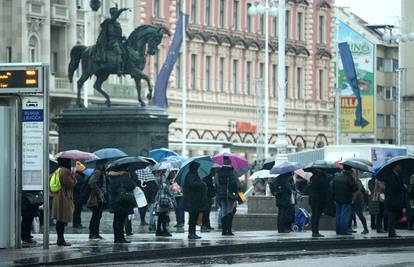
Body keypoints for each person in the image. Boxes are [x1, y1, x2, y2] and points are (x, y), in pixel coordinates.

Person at [95, 5, 130, 74]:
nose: (117, 15)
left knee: (126, 50)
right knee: (118, 51)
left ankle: (125, 66)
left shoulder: (117, 23)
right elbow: (113, 19)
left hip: (117, 41)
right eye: (116, 13)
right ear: (113, 14)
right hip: (110, 42)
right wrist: (121, 10)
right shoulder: (109, 21)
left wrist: (122, 38)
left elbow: (118, 34)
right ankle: (118, 69)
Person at [107, 167, 137, 243]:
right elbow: (132, 186)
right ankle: (120, 238)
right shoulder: (124, 177)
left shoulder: (111, 177)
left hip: (114, 201)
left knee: (116, 220)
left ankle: (116, 238)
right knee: (121, 220)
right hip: (123, 201)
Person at [52, 158, 76, 246]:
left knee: (60, 219)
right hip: (64, 198)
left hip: (58, 197)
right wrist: (73, 177)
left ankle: (60, 239)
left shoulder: (58, 170)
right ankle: (61, 239)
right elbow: (70, 184)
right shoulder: (65, 171)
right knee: (61, 219)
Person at [183, 161, 207, 239]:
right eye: (197, 167)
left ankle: (192, 233)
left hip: (195, 200)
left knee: (194, 216)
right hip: (192, 200)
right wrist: (202, 184)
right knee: (193, 217)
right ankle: (191, 233)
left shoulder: (193, 175)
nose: (198, 169)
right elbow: (192, 184)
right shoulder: (191, 175)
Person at [331, 165, 358, 235]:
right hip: (346, 199)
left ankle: (338, 230)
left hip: (337, 198)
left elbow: (332, 187)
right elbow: (355, 188)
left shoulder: (337, 177)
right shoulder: (349, 177)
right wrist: (354, 179)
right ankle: (343, 231)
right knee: (344, 215)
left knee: (338, 215)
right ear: (350, 170)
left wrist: (334, 197)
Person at [216, 158, 239, 236]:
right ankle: (228, 230)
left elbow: (216, 184)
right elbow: (233, 184)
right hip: (229, 195)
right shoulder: (231, 172)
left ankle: (223, 230)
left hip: (221, 195)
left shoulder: (218, 172)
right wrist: (236, 191)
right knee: (229, 211)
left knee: (223, 212)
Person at [384, 163, 407, 238]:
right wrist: (403, 186)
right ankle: (391, 233)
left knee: (393, 216)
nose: (401, 167)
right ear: (395, 167)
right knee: (391, 216)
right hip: (392, 200)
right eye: (399, 166)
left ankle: (392, 232)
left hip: (395, 200)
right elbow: (396, 187)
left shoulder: (397, 176)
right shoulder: (391, 176)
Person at [86, 160, 107, 239]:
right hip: (96, 198)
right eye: (104, 163)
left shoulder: (101, 172)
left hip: (101, 197)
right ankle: (92, 233)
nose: (105, 165)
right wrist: (99, 192)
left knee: (98, 216)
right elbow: (91, 183)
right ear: (100, 164)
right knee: (96, 216)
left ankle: (96, 233)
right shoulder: (97, 172)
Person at [154, 171, 176, 237]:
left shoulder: (158, 177)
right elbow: (167, 189)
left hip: (160, 199)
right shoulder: (163, 178)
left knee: (161, 215)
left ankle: (158, 230)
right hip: (164, 200)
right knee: (164, 215)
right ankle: (164, 230)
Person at [308, 169, 328, 237]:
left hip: (312, 199)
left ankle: (314, 231)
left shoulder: (312, 178)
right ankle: (316, 232)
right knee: (317, 216)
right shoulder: (322, 178)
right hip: (319, 200)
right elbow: (324, 189)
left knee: (314, 216)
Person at [72, 161, 86, 228]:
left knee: (77, 211)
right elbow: (78, 187)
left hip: (77, 196)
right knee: (77, 211)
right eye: (83, 169)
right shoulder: (78, 177)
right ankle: (77, 224)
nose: (84, 171)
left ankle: (77, 223)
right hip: (77, 196)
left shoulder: (78, 175)